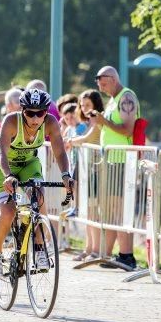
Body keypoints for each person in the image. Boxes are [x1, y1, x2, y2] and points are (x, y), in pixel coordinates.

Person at [0, 89, 74, 278]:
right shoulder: (11, 121)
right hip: (2, 166)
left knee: (40, 204)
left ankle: (40, 248)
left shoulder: (50, 122)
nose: (35, 118)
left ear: (46, 112)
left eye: (40, 113)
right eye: (30, 113)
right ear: (22, 110)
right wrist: (9, 175)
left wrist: (66, 174)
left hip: (28, 164)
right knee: (8, 211)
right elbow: (2, 152)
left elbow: (60, 151)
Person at [90, 66, 141, 270]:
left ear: (111, 79)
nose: (101, 88)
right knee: (112, 209)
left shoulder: (126, 97)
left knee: (120, 209)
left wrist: (104, 122)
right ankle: (116, 254)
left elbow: (128, 128)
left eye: (102, 83)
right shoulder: (113, 99)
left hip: (123, 160)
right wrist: (101, 123)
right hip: (113, 160)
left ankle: (127, 255)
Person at [66, 90, 106, 261]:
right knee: (88, 211)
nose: (84, 108)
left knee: (93, 211)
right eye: (82, 105)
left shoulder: (99, 118)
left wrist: (71, 141)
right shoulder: (89, 120)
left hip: (96, 168)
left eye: (87, 105)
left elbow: (88, 138)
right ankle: (89, 248)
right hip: (88, 168)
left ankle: (96, 250)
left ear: (96, 105)